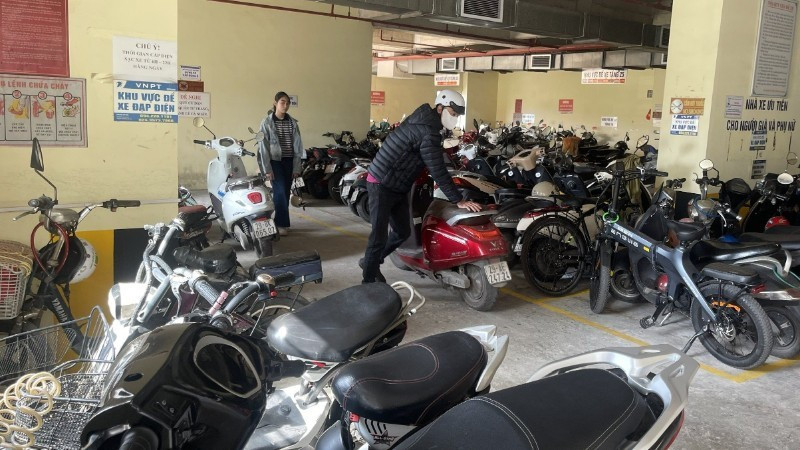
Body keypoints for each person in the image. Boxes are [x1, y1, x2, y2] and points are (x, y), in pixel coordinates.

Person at [360, 89, 481, 283]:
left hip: (398, 183)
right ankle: (368, 281)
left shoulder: (427, 123)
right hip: (382, 182)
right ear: (440, 108)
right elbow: (437, 168)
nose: (455, 118)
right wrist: (457, 200)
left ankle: (369, 261)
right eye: (453, 113)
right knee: (378, 236)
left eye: (457, 115)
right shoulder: (428, 130)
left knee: (402, 231)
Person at [257, 91, 304, 236]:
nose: (286, 105)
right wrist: (267, 169)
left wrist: (297, 167)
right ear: (275, 103)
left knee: (284, 191)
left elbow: (298, 147)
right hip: (275, 161)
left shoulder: (293, 123)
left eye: (288, 102)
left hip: (289, 161)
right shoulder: (267, 122)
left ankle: (279, 221)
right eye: (282, 102)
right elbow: (263, 147)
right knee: (281, 191)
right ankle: (281, 223)